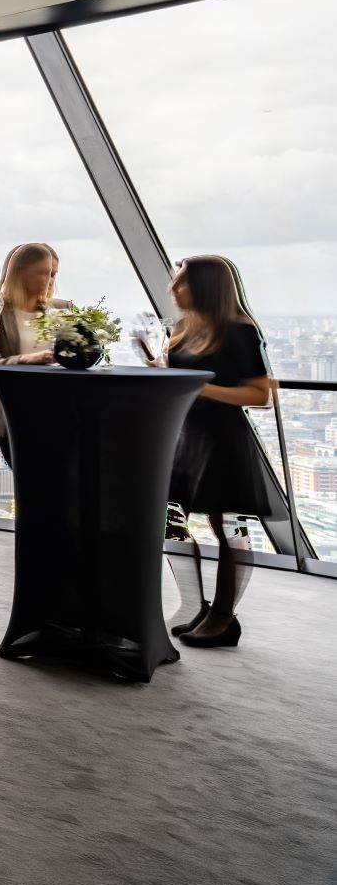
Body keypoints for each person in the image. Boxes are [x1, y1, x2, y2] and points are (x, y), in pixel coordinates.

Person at [154, 256, 273, 649]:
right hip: (187, 435)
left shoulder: (238, 331)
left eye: (181, 282)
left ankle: (224, 618)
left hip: (222, 438)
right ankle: (199, 608)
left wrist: (199, 388)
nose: (173, 290)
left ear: (206, 287)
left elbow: (260, 394)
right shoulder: (185, 328)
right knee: (176, 522)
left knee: (229, 528)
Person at [0, 242, 70, 464]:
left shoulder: (62, 309)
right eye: (41, 273)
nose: (49, 280)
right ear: (19, 273)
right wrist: (26, 360)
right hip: (13, 410)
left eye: (52, 273)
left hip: (57, 409)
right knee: (27, 481)